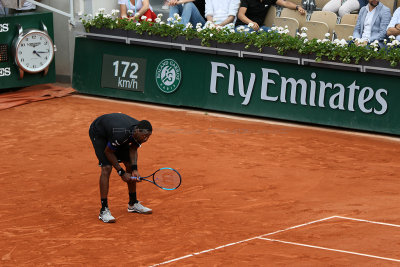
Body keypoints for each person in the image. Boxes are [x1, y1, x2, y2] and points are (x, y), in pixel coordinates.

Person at [89, 113, 153, 223]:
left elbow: (133, 149)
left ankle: (133, 203)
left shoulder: (138, 133)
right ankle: (104, 210)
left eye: (148, 136)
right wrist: (121, 172)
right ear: (137, 131)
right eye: (145, 136)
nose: (146, 139)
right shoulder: (121, 134)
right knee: (107, 167)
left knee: (129, 164)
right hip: (99, 132)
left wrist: (134, 169)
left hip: (115, 132)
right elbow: (108, 152)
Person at [235, 0, 306, 32]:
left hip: (260, 28)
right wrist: (251, 23)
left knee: (276, 33)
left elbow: (285, 3)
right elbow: (241, 15)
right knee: (248, 35)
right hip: (242, 27)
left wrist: (297, 7)